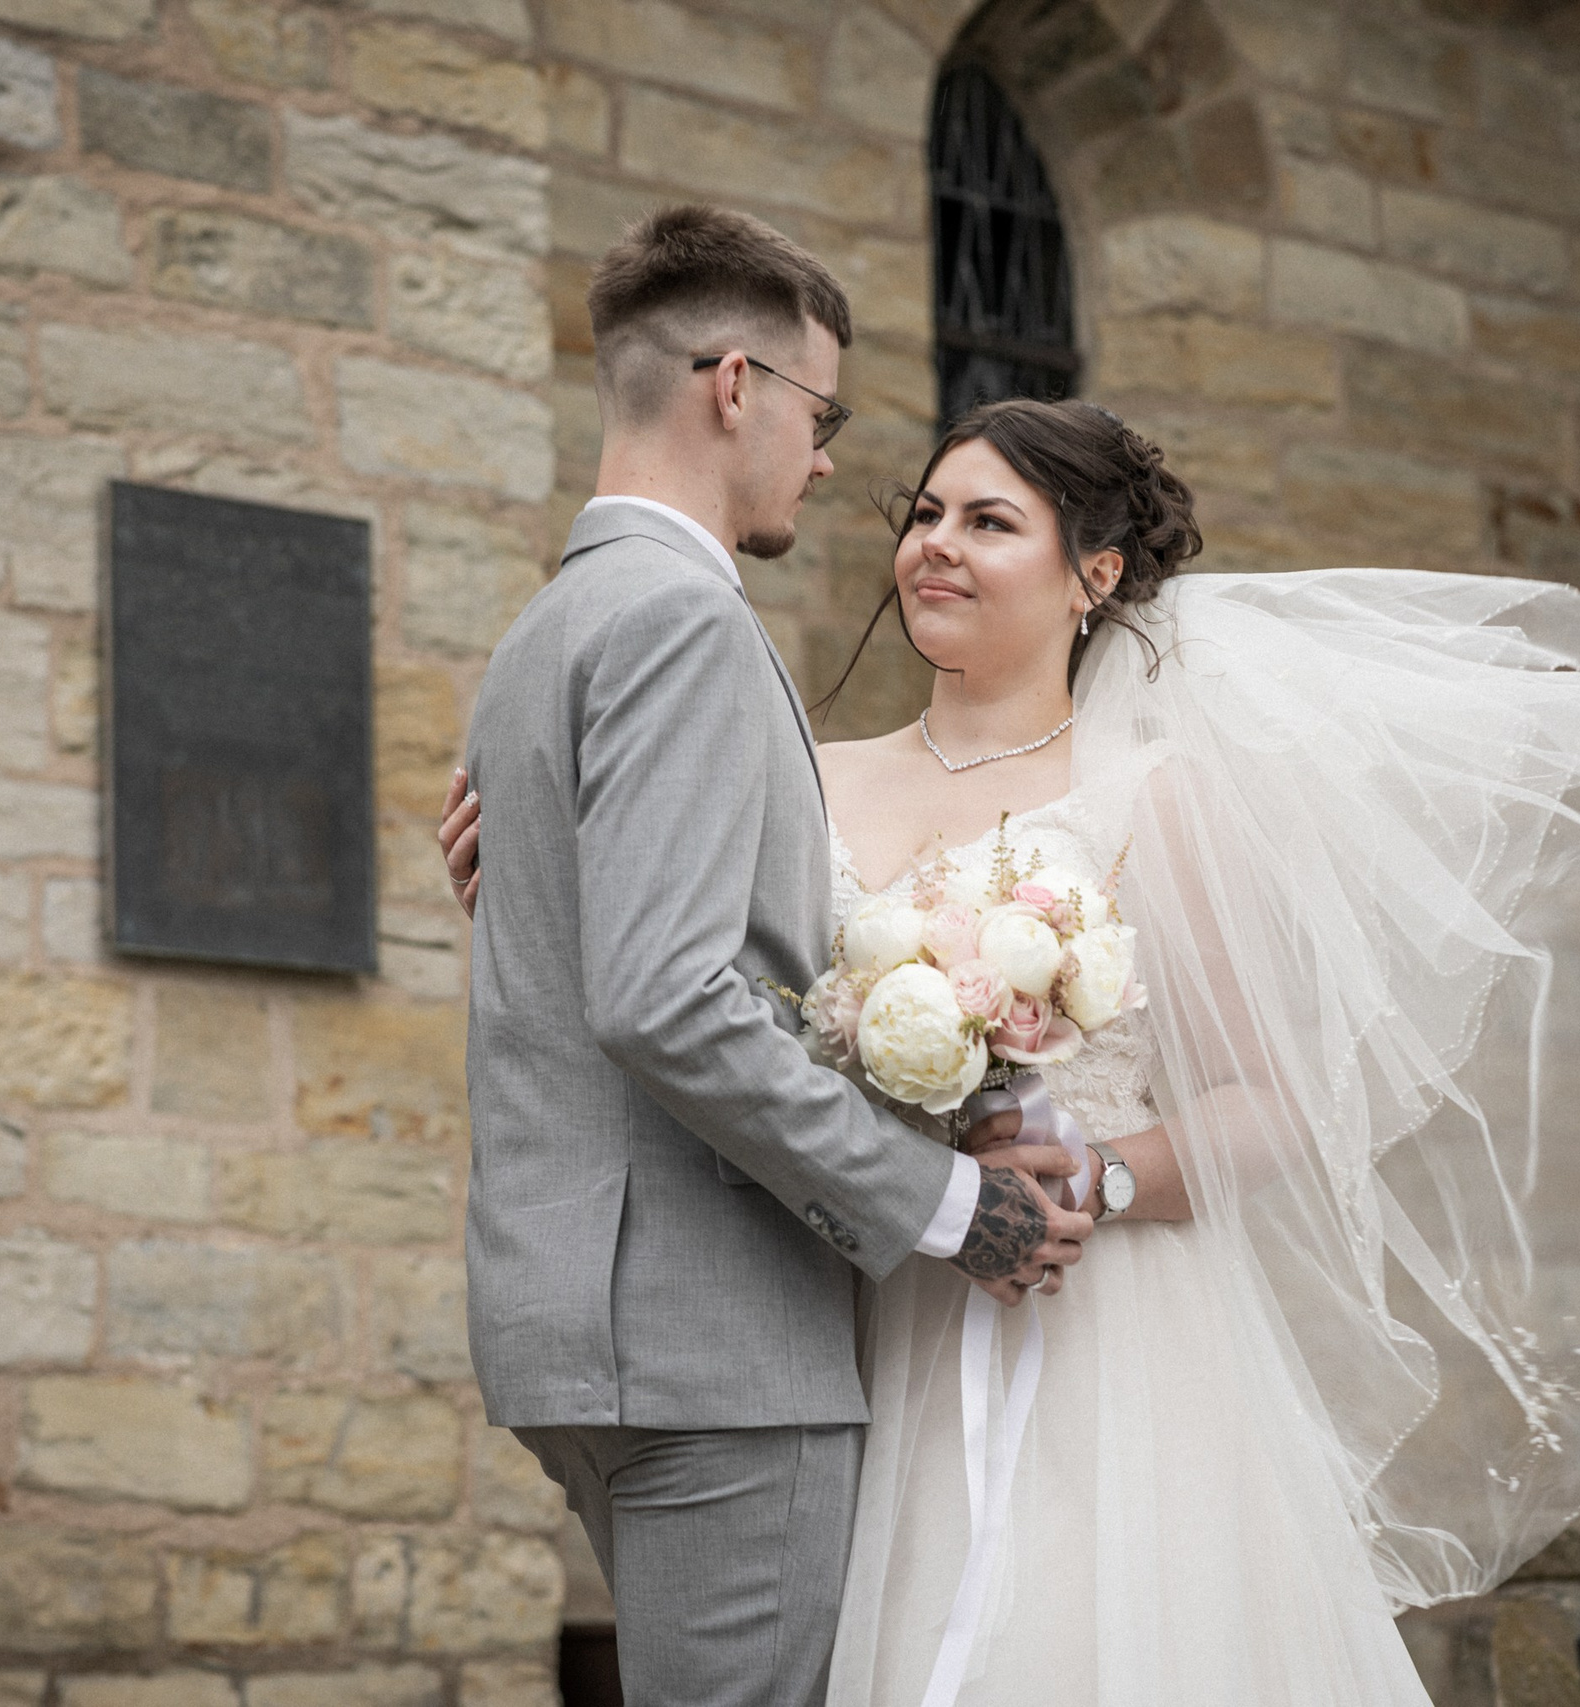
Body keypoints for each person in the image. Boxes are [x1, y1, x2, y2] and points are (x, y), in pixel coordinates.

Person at [449, 389, 1580, 1702]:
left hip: (1103, 1336)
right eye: (926, 514)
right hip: (867, 1312)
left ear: (1096, 573)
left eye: (989, 522)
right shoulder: (807, 779)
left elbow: (1269, 1102)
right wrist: (530, 870)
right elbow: (694, 983)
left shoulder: (1153, 801)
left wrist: (1097, 1175)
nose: (936, 546)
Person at [456, 205, 1091, 1707]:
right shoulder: (684, 619)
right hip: (712, 1338)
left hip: (584, 1317)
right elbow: (669, 998)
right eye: (822, 415)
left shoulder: (544, 628)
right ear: (735, 386)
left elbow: (614, 941)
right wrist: (951, 1205)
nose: (821, 461)